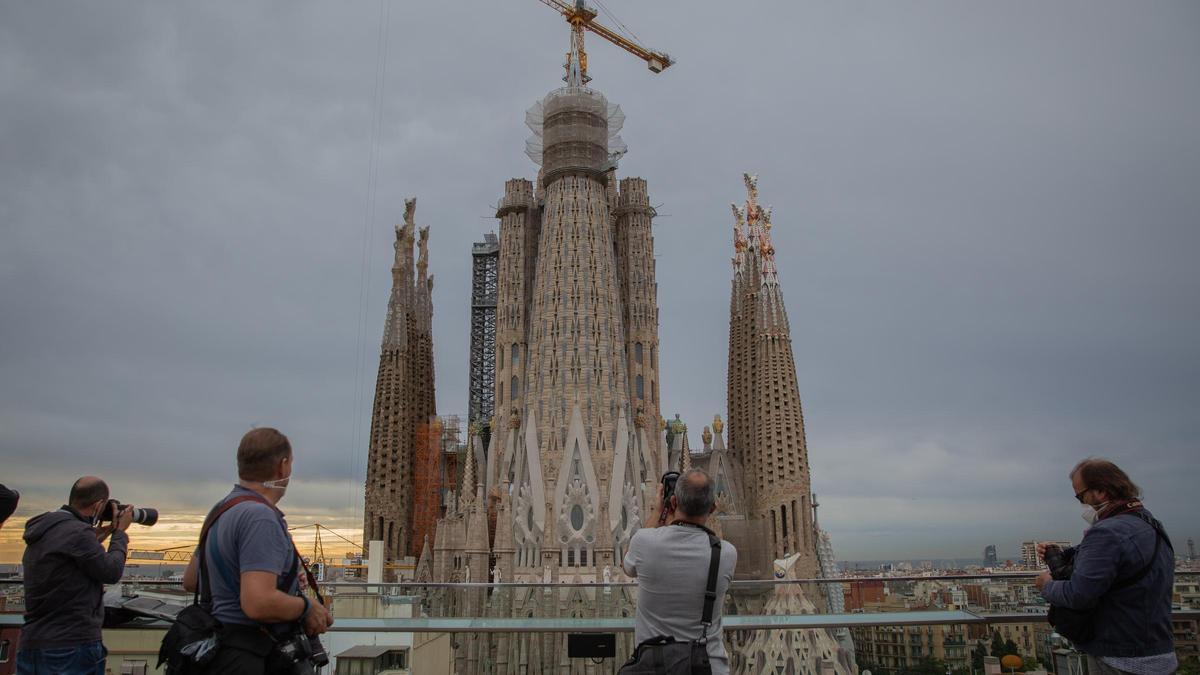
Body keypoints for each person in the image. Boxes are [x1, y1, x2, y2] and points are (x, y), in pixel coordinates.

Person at [182, 427, 332, 673]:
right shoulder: (260, 517)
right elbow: (258, 603)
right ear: (283, 467)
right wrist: (307, 607)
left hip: (219, 651)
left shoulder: (221, 510)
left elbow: (191, 580)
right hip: (254, 654)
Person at [1036, 458, 1174, 675]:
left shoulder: (1107, 532)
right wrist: (1062, 553)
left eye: (1081, 496)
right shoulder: (1149, 523)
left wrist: (1046, 585)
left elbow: (1079, 595)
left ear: (1100, 491)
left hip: (1120, 656)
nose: (1082, 503)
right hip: (1158, 651)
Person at [623, 468, 738, 675]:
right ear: (712, 508)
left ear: (673, 502)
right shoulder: (726, 554)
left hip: (654, 666)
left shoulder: (644, 543)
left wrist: (658, 512)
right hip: (707, 667)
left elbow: (629, 565)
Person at [18, 477, 133, 675]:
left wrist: (96, 536)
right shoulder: (78, 533)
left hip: (32, 642)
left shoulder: (46, 529)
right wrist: (119, 534)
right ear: (98, 505)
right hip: (70, 645)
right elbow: (111, 572)